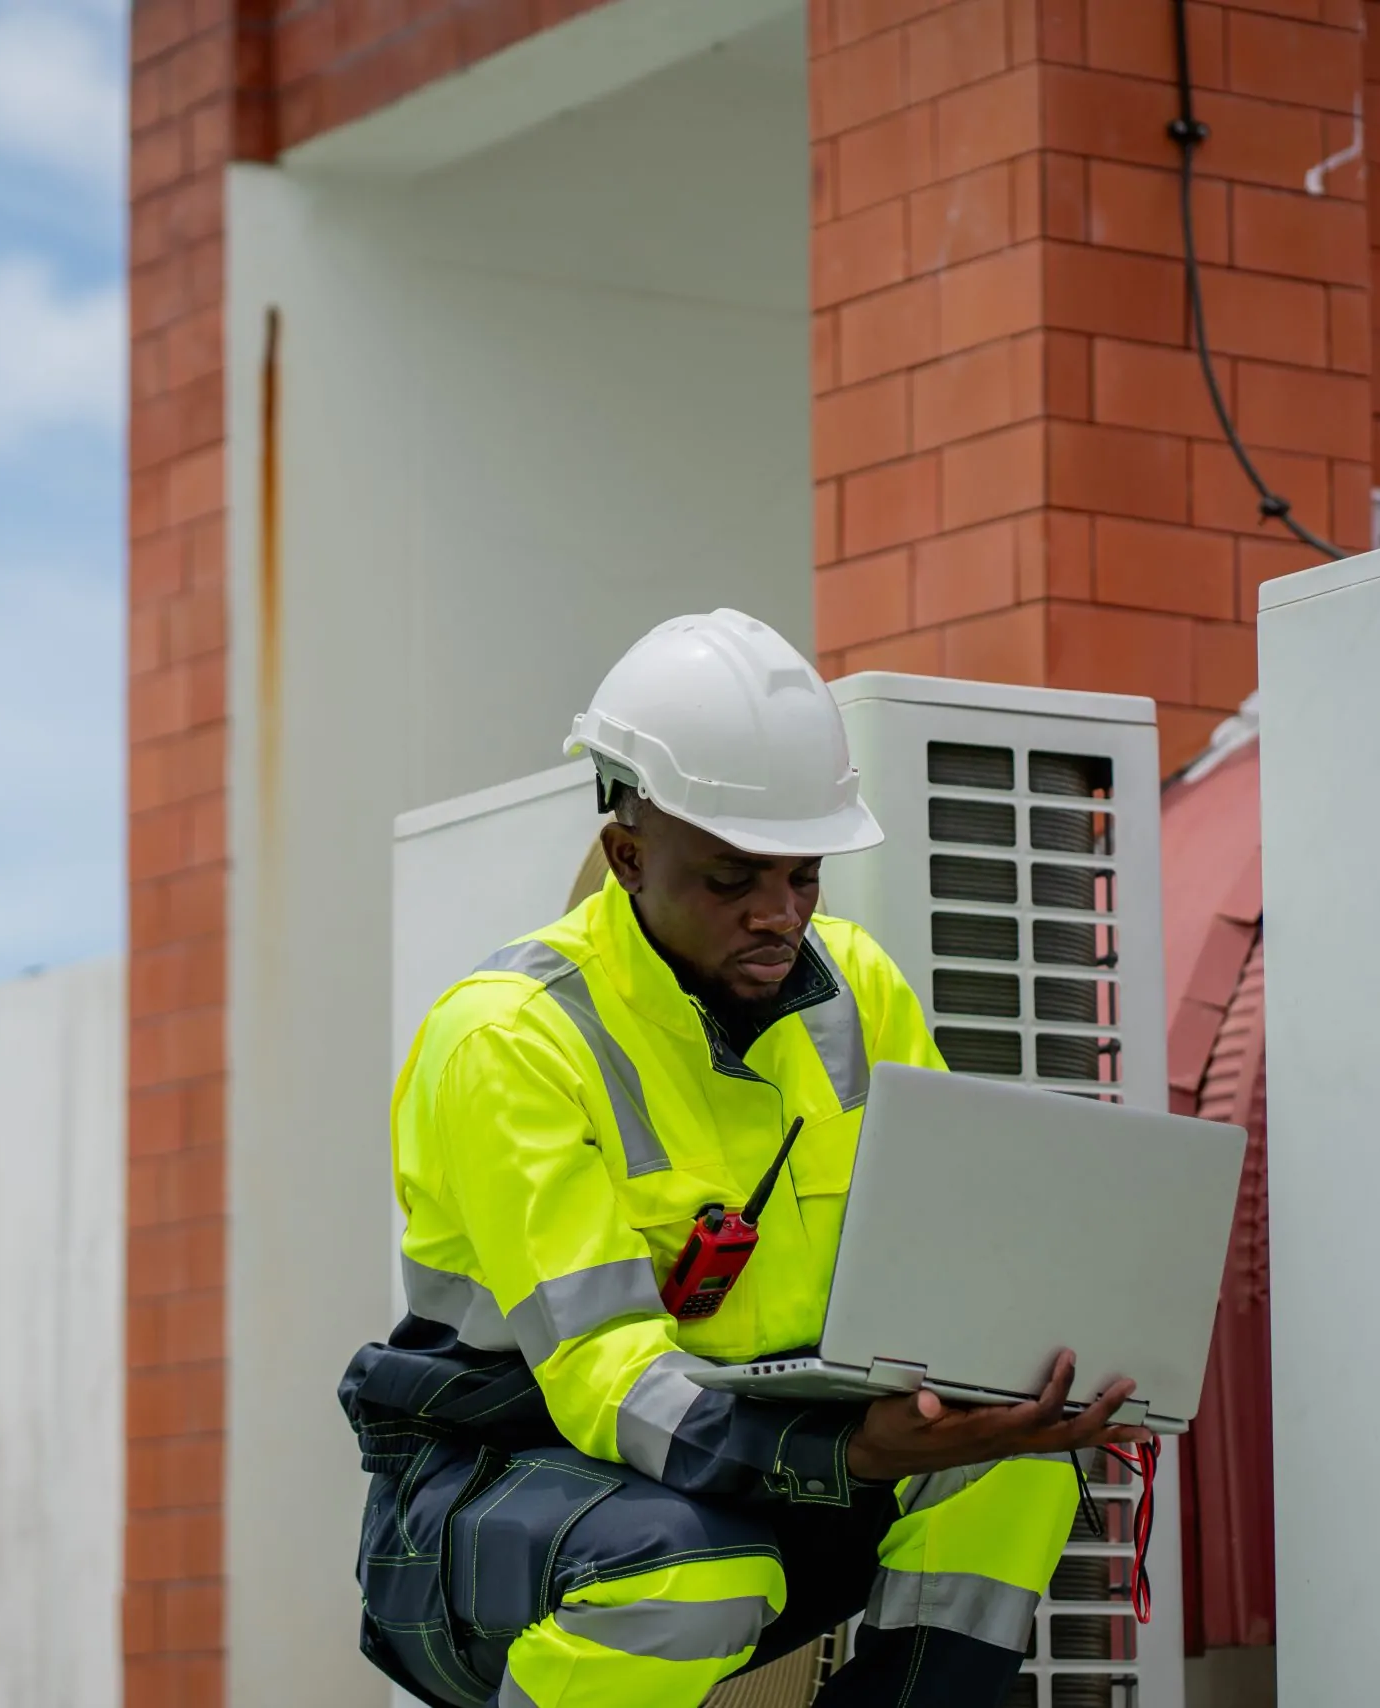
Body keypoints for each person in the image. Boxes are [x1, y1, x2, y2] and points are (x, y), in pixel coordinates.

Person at [339, 609, 1149, 1708]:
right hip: (492, 1492)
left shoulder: (856, 989)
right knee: (693, 1570)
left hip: (750, 1470)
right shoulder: (509, 1039)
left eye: (804, 875)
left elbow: (947, 1254)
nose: (781, 916)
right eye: (733, 879)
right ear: (626, 855)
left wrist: (989, 1381)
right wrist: (850, 1457)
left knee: (1010, 1474)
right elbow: (604, 1378)